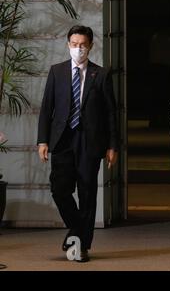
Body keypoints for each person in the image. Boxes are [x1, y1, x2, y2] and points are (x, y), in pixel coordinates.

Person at [37, 25, 118, 262]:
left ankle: (81, 246)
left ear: (91, 46)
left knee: (87, 192)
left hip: (90, 141)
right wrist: (43, 140)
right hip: (62, 139)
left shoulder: (101, 75)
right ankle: (78, 229)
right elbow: (46, 109)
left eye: (83, 44)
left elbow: (111, 113)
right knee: (59, 189)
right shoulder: (57, 72)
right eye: (74, 44)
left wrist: (113, 146)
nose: (78, 49)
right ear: (68, 45)